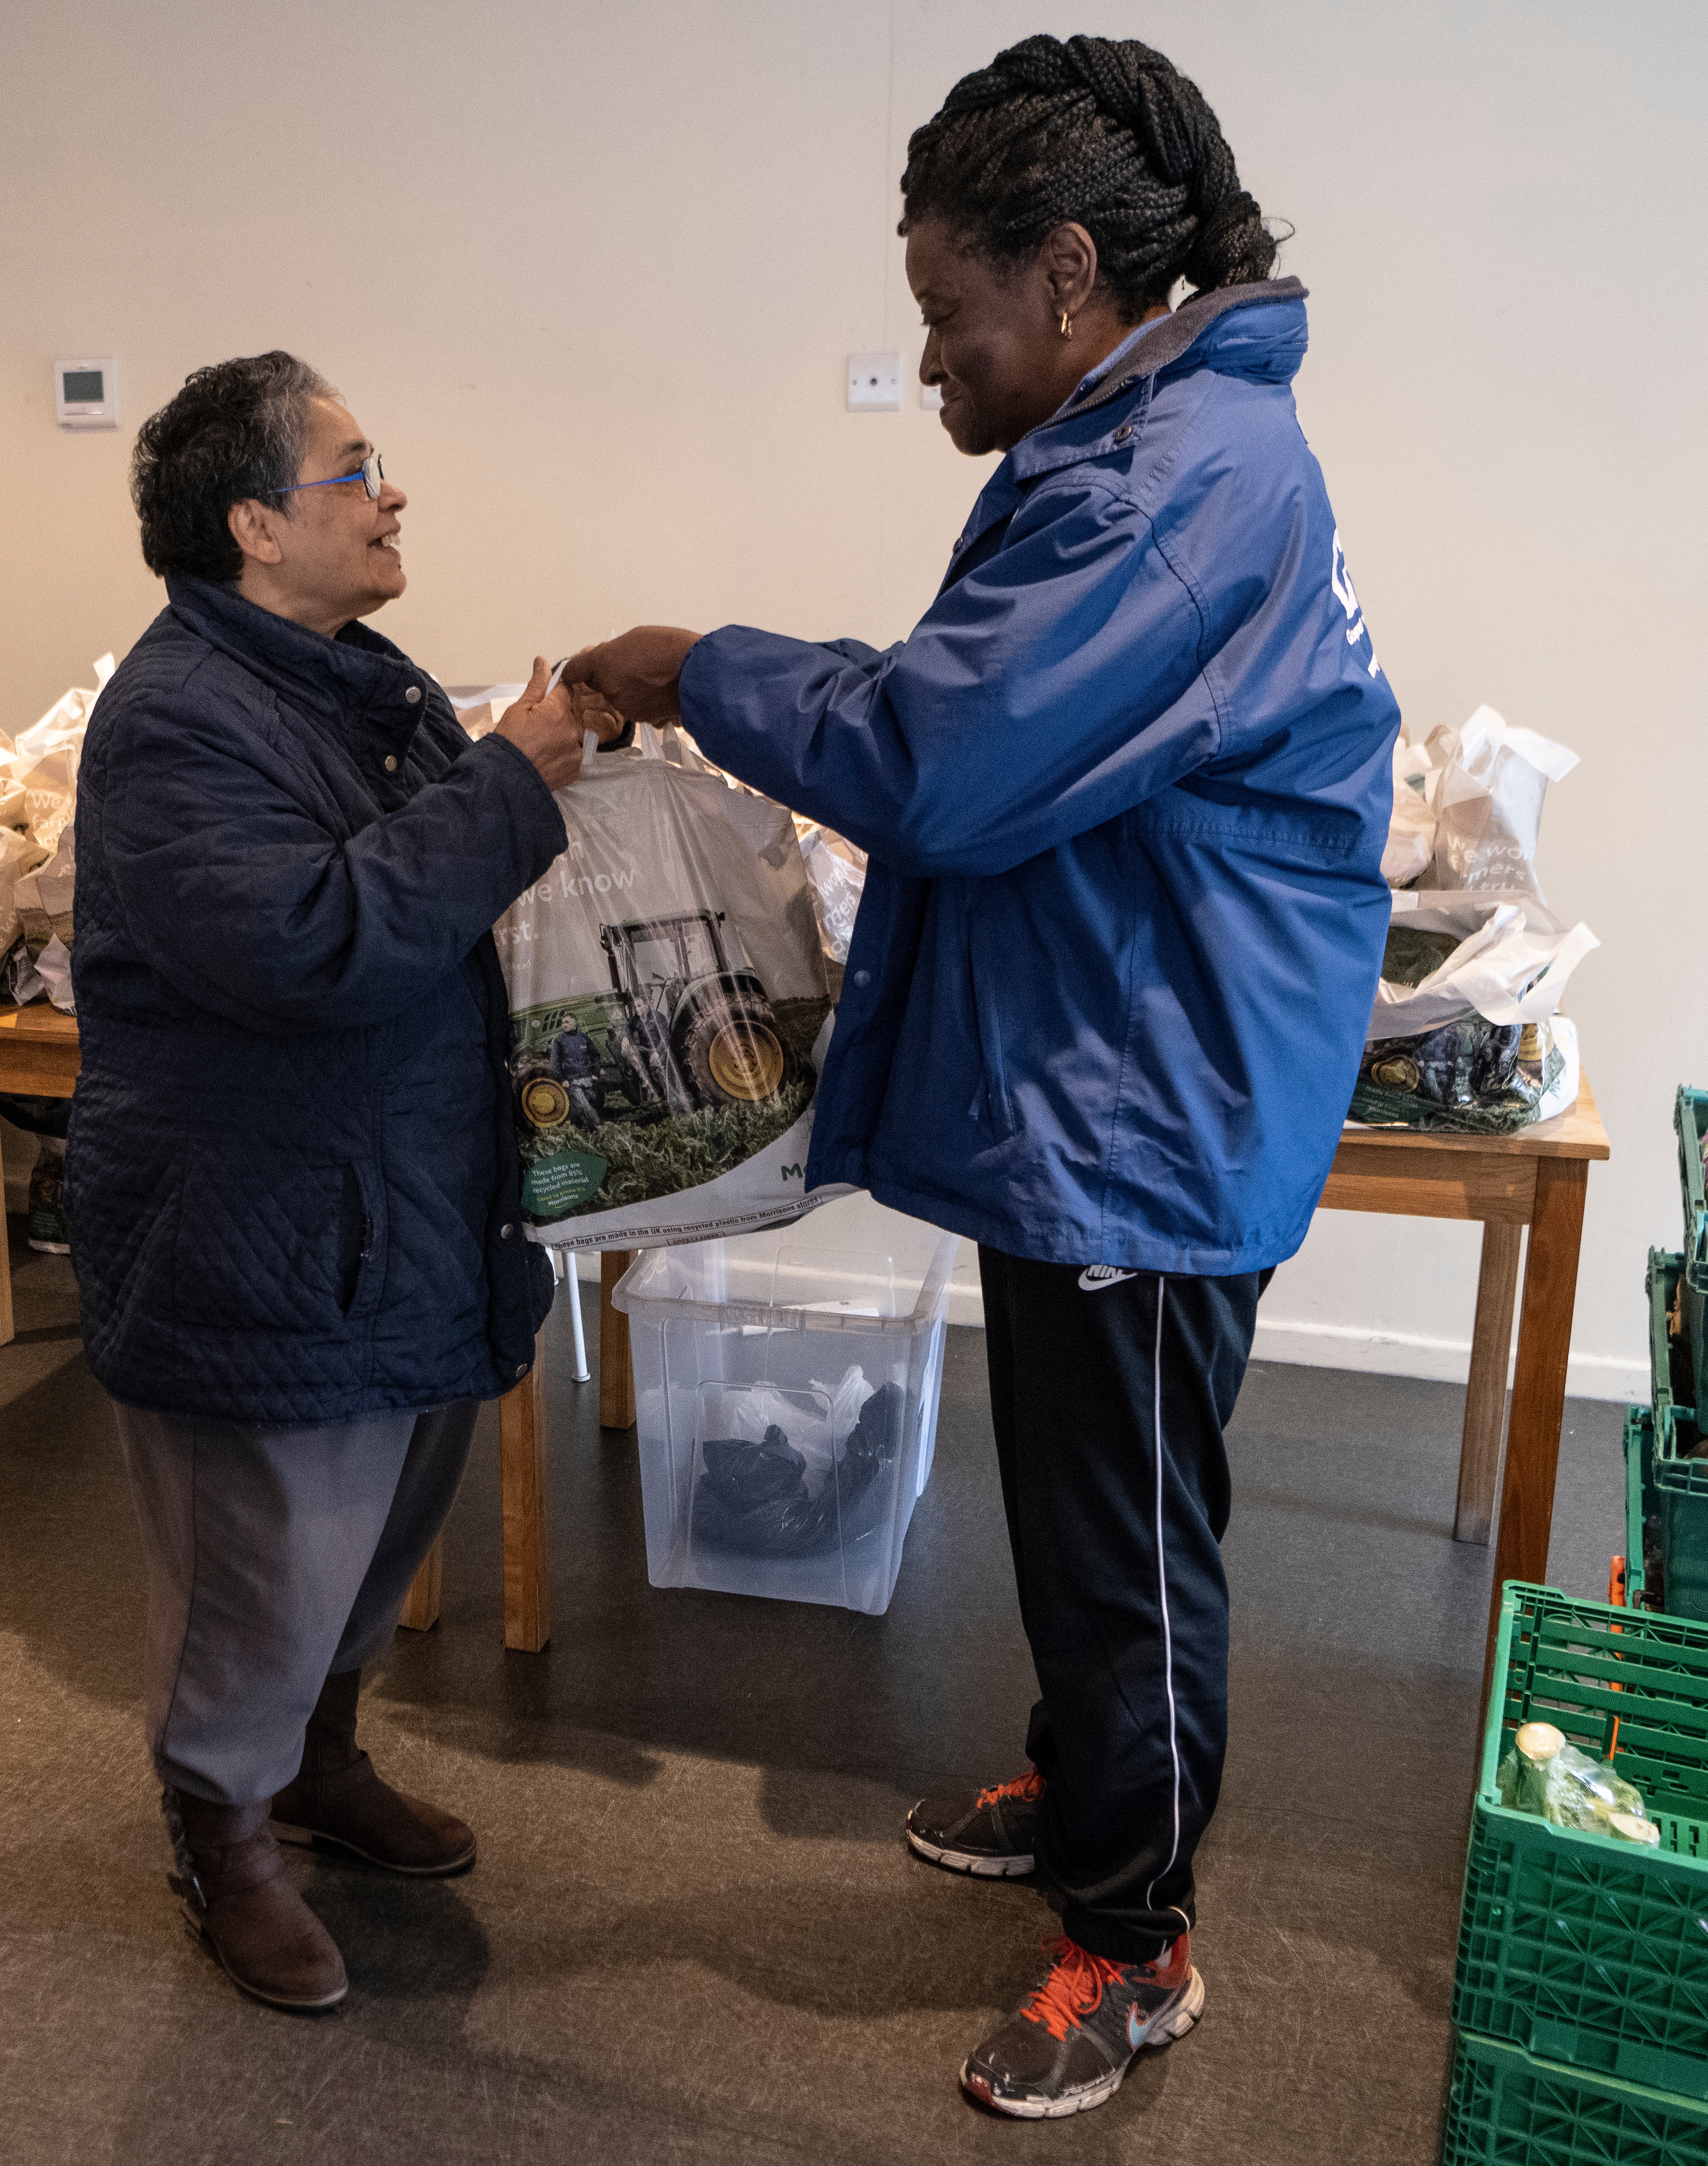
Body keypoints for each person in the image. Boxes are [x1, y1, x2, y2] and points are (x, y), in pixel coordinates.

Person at [566, 37, 1398, 2120]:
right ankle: (1098, 1776)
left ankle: (1137, 1936)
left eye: (950, 315)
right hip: (1123, 1065)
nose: (933, 363)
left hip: (1150, 1098)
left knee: (1127, 1532)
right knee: (1085, 1497)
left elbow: (948, 756)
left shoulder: (1175, 486)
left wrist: (702, 669)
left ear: (1069, 272)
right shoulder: (1167, 445)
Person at [71, 352, 586, 2011]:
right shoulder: (172, 720)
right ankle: (218, 1829)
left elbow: (422, 867)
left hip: (391, 1211)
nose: (390, 493)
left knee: (374, 1533)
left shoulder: (348, 675)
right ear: (249, 524)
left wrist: (533, 763)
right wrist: (511, 783)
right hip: (266, 1231)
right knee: (265, 1564)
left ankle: (315, 1760)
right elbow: (310, 942)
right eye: (353, 469)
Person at [548, 1011, 603, 1128]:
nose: (565, 1025)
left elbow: (596, 1056)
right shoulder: (559, 1041)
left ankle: (586, 1130)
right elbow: (555, 1063)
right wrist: (562, 1079)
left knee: (591, 1103)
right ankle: (599, 1126)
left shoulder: (584, 1038)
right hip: (572, 1082)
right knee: (584, 1105)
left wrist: (595, 1074)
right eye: (563, 1023)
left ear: (574, 1022)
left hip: (587, 1079)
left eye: (567, 1022)